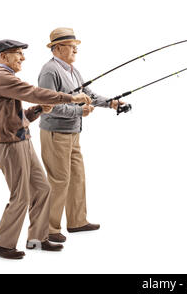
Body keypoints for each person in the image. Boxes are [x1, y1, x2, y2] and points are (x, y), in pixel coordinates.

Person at [0, 39, 92, 259]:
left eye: (22, 53)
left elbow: (14, 115)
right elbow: (33, 92)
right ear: (3, 57)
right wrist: (70, 98)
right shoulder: (0, 78)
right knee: (21, 195)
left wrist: (38, 111)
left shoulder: (6, 79)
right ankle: (2, 245)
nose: (22, 57)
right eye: (17, 54)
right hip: (8, 144)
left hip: (21, 139)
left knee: (42, 188)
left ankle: (37, 239)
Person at [38, 28, 124, 243]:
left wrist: (111, 103)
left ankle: (77, 222)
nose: (75, 48)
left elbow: (88, 95)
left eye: (75, 44)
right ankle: (48, 229)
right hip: (56, 133)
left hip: (73, 133)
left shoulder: (73, 70)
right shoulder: (49, 71)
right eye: (70, 44)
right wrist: (79, 111)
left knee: (77, 177)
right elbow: (50, 105)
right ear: (57, 48)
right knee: (59, 181)